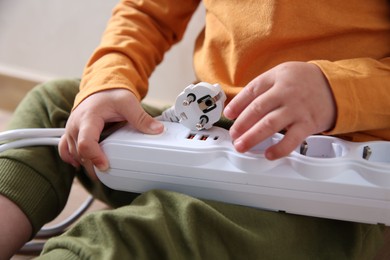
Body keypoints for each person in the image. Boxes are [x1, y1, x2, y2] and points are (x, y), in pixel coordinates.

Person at [1, 0, 390, 258]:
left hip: (336, 191)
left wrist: (337, 90)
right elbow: (147, 12)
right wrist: (110, 80)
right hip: (212, 130)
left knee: (146, 232)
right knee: (56, 103)